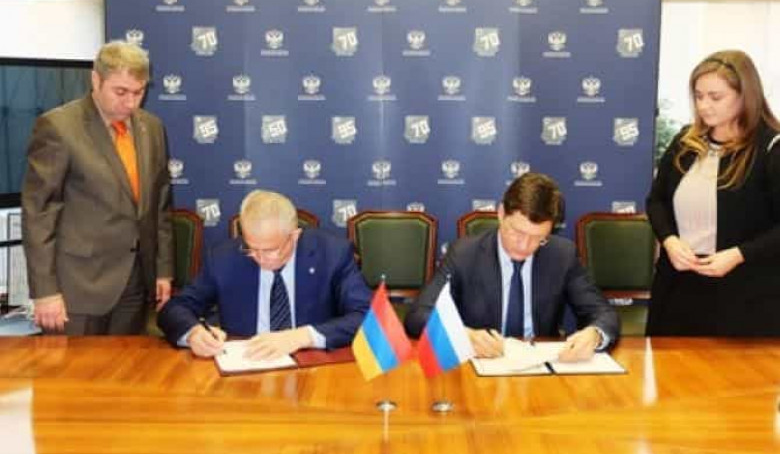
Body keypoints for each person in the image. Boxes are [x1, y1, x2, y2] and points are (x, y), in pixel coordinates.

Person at [22, 41, 174, 335]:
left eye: (139, 92)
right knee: (73, 366)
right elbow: (39, 214)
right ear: (96, 80)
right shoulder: (58, 127)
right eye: (121, 92)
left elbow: (161, 205)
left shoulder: (152, 128)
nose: (131, 103)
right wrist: (45, 291)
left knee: (126, 364)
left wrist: (163, 270)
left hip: (135, 283)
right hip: (77, 289)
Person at [405, 172, 619, 360]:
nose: (524, 246)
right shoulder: (464, 254)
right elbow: (418, 316)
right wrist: (462, 335)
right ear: (501, 214)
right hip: (482, 368)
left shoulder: (562, 255)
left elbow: (603, 313)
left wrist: (595, 335)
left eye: (538, 238)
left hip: (540, 368)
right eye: (517, 232)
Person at [646, 50, 780, 336]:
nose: (704, 105)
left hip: (747, 297)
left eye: (715, 97)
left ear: (745, 95)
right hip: (677, 289)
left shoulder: (771, 149)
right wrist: (669, 240)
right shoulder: (685, 141)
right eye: (698, 96)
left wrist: (739, 255)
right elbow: (656, 201)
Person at [158, 190, 372, 359]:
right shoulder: (224, 258)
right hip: (247, 365)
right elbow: (174, 308)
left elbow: (369, 317)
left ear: (294, 236)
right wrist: (194, 333)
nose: (260, 258)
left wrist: (302, 336)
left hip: (312, 365)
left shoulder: (332, 254)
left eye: (270, 250)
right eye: (251, 248)